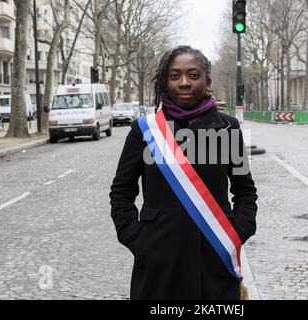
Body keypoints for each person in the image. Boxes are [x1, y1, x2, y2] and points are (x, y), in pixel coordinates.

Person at [110, 45, 258, 300]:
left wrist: (238, 232)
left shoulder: (228, 128)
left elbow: (245, 191)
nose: (184, 82)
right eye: (175, 76)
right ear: (165, 82)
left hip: (215, 254)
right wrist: (138, 240)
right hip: (159, 263)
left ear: (208, 81)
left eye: (193, 74)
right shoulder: (144, 130)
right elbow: (121, 192)